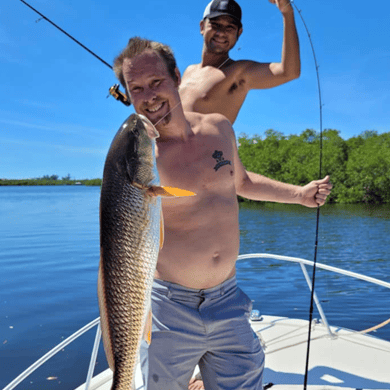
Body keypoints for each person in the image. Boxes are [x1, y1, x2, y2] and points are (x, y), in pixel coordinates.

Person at [113, 37, 331, 390]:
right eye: (136, 88)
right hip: (168, 309)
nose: (149, 96)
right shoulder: (139, 158)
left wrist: (300, 195)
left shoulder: (219, 127)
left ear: (177, 77)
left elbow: (240, 181)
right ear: (128, 95)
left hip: (228, 300)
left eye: (156, 82)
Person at [179, 0, 301, 125]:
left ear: (239, 33)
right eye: (215, 25)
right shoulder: (189, 71)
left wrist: (287, 13)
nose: (221, 33)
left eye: (230, 28)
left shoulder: (239, 72)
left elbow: (289, 72)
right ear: (202, 27)